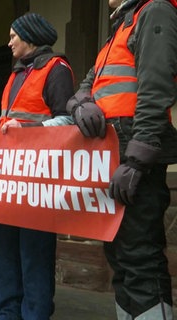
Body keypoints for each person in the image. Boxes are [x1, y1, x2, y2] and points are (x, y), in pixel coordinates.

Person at [66, 1, 177, 318]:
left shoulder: (155, 11)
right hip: (113, 151)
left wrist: (137, 160)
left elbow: (155, 88)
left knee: (140, 257)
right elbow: (86, 86)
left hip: (133, 150)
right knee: (121, 257)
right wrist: (81, 104)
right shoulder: (120, 28)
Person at [0, 13, 74, 319]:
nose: (8, 41)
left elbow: (68, 120)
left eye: (13, 36)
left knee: (34, 256)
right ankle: (7, 313)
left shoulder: (57, 69)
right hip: (8, 180)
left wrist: (27, 132)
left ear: (30, 37)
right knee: (3, 253)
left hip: (38, 182)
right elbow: (9, 126)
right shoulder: (16, 74)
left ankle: (34, 315)